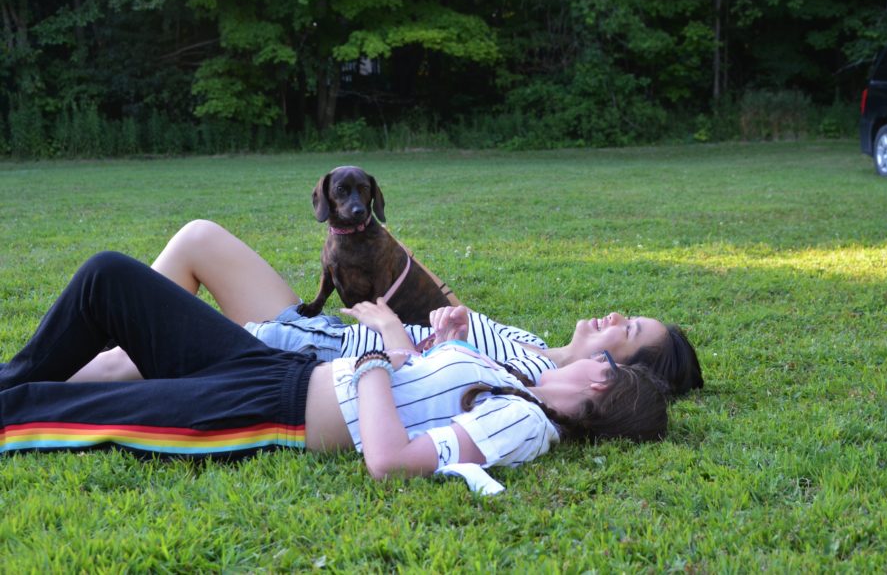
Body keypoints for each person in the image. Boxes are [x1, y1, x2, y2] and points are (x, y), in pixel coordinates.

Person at [0, 252, 668, 481]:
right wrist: (432, 343)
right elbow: (419, 388)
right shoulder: (515, 380)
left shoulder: (527, 427)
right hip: (264, 366)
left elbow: (389, 459)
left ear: (603, 383)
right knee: (108, 279)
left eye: (612, 361)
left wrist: (376, 346)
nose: (602, 357)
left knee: (54, 410)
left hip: (269, 411)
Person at [69, 221, 703, 395]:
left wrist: (423, 338)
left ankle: (59, 373)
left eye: (630, 329)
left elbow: (419, 382)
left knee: (132, 357)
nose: (617, 316)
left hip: (315, 357)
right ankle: (90, 351)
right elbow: (454, 310)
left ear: (621, 370)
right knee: (199, 238)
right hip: (317, 327)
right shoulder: (533, 343)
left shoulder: (538, 383)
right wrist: (397, 259)